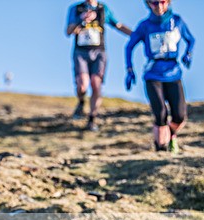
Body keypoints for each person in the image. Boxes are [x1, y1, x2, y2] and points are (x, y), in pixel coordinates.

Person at [125, 0, 195, 153]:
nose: (159, 6)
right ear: (148, 4)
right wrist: (130, 70)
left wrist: (188, 54)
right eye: (154, 3)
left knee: (179, 116)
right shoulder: (145, 26)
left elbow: (191, 39)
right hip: (153, 74)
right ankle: (160, 148)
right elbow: (129, 46)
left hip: (173, 73)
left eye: (162, 2)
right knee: (160, 114)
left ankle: (171, 134)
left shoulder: (177, 21)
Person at [66, 0, 132, 131]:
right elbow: (69, 31)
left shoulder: (103, 9)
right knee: (82, 85)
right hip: (81, 52)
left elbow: (117, 25)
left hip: (99, 52)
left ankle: (92, 118)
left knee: (96, 84)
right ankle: (81, 102)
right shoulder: (76, 9)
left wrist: (136, 35)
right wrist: (81, 19)